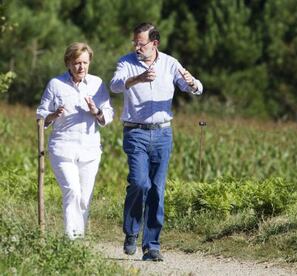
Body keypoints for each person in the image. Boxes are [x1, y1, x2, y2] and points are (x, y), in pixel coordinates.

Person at [110, 22, 203, 261]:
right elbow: (115, 85)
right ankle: (131, 231)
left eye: (141, 44)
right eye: (135, 43)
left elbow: (194, 87)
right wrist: (137, 79)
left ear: (155, 43)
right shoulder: (126, 62)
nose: (137, 47)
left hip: (162, 134)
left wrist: (192, 83)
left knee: (157, 190)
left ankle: (151, 245)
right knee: (140, 183)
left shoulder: (170, 63)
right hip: (136, 133)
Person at [36, 42, 114, 240]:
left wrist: (96, 111)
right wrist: (54, 114)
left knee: (84, 197)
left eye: (85, 63)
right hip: (62, 148)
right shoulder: (56, 84)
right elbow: (41, 114)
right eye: (77, 63)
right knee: (72, 190)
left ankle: (78, 239)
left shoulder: (97, 84)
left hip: (90, 149)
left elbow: (108, 113)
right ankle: (71, 240)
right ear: (68, 63)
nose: (81, 67)